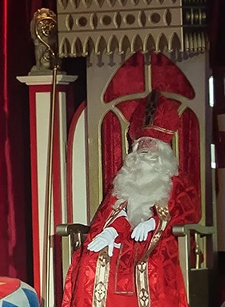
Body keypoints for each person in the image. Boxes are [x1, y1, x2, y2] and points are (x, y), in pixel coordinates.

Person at [62, 90, 198, 307]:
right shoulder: (125, 177)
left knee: (150, 265)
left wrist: (154, 221)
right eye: (141, 141)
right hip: (121, 238)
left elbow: (188, 210)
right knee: (91, 258)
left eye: (151, 141)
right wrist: (112, 230)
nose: (144, 146)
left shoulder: (175, 178)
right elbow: (114, 209)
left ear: (162, 148)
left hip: (161, 238)